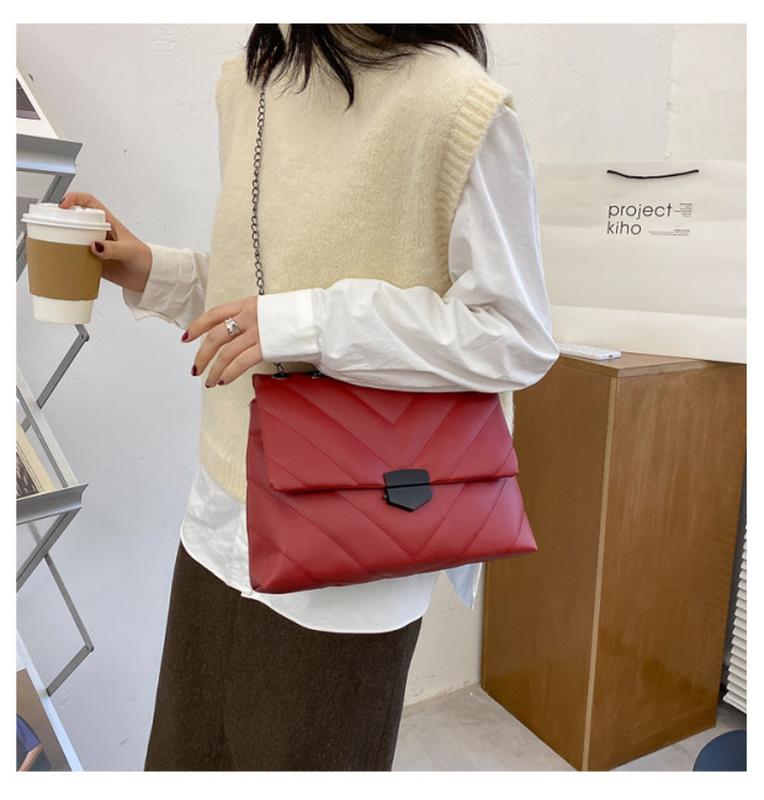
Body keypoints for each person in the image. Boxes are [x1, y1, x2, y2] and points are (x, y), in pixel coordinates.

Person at [59, 23, 559, 771]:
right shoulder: (248, 83)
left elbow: (515, 334)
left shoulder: (456, 104)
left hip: (358, 532)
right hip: (222, 513)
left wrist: (313, 322)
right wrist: (152, 271)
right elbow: (263, 292)